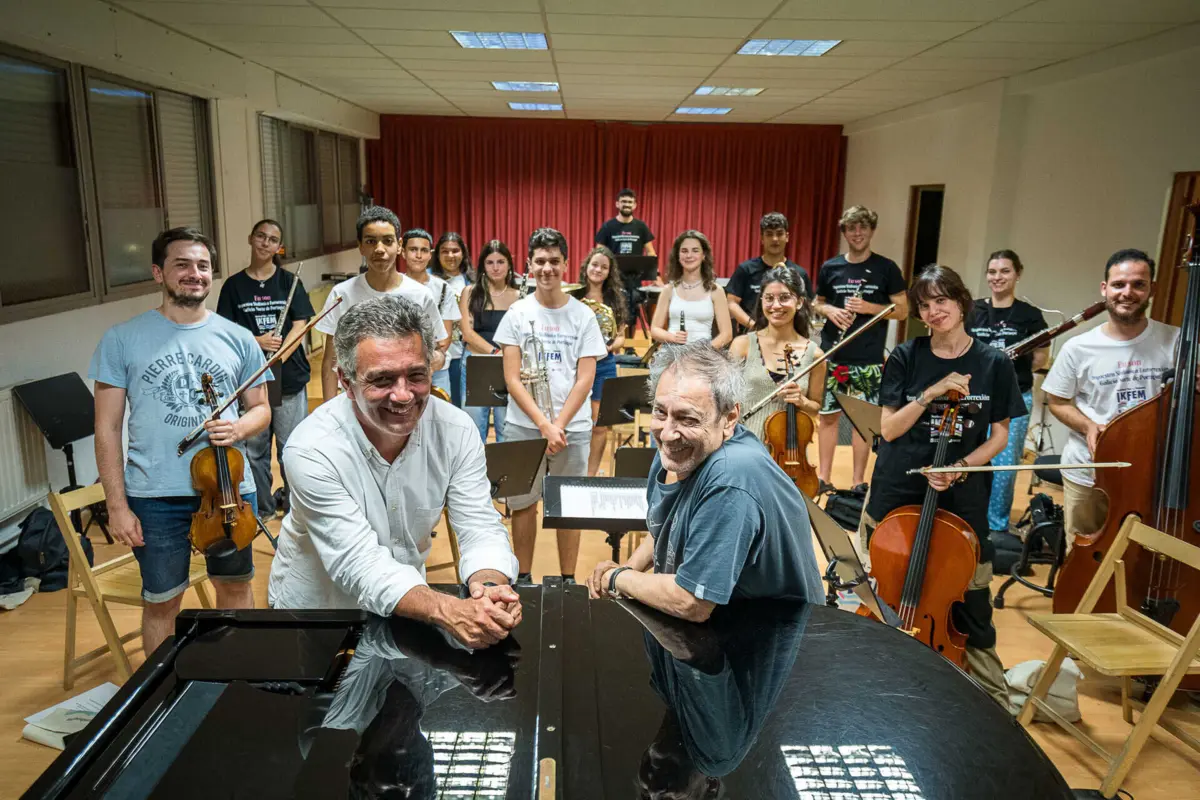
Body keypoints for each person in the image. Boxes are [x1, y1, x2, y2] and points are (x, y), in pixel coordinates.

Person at [268, 295, 522, 650]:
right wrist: (447, 609)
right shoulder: (311, 449)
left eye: (416, 375)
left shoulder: (455, 430)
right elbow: (357, 564)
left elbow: (478, 524)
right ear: (344, 380)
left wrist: (490, 588)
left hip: (406, 609)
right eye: (382, 380)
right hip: (320, 617)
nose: (403, 396)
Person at [91, 227, 270, 656]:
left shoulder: (239, 337)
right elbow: (106, 428)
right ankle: (162, 695)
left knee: (234, 589)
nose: (195, 274)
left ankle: (235, 679)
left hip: (229, 492)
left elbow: (261, 409)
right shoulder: (122, 338)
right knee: (162, 602)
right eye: (182, 265)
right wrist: (117, 506)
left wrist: (239, 429)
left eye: (203, 266)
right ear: (158, 272)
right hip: (154, 496)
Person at [862, 265, 1024, 706]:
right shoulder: (906, 357)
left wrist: (961, 465)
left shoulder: (992, 363)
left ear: (961, 301)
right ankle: (876, 683)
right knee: (888, 589)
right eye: (925, 305)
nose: (934, 311)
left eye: (942, 301)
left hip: (962, 495)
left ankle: (995, 703)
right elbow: (891, 430)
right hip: (900, 489)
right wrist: (930, 393)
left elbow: (1000, 435)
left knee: (971, 598)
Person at [585, 343, 824, 621]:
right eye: (661, 412)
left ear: (729, 418)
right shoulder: (677, 448)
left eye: (687, 418)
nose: (668, 433)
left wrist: (618, 578)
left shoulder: (731, 478)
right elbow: (667, 527)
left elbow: (692, 601)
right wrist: (629, 569)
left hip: (768, 640)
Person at [1042, 249, 1186, 546]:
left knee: (1141, 559)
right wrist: (1089, 426)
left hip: (1152, 474)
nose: (1127, 293)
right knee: (1084, 557)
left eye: (1138, 284)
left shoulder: (1177, 341)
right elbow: (1057, 401)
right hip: (1089, 473)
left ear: (1152, 290)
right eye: (1119, 284)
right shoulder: (1077, 347)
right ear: (1104, 289)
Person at [494, 228, 608, 584]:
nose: (547, 268)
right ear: (529, 264)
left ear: (566, 264)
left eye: (554, 261)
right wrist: (544, 425)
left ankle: (567, 580)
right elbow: (512, 378)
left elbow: (585, 378)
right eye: (540, 261)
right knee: (523, 504)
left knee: (568, 507)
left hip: (571, 429)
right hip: (524, 427)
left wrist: (557, 424)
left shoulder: (583, 316)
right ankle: (524, 577)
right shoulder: (516, 312)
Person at [216, 219, 315, 518]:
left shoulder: (288, 282)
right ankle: (263, 507)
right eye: (261, 236)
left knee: (291, 447)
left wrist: (283, 351)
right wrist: (257, 340)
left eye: (272, 239)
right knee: (255, 449)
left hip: (287, 375)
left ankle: (297, 507)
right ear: (251, 239)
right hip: (252, 377)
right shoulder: (234, 286)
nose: (265, 243)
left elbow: (302, 322)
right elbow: (224, 329)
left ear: (277, 247)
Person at [814, 205, 908, 494]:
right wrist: (830, 310)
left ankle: (857, 482)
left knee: (861, 422)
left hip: (868, 359)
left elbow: (903, 310)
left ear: (871, 231)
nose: (857, 233)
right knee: (828, 419)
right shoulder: (831, 267)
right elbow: (816, 303)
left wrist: (870, 308)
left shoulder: (886, 268)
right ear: (844, 232)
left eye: (863, 228)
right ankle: (824, 479)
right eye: (852, 228)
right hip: (833, 355)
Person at [316, 207, 446, 404]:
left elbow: (438, 349)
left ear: (399, 245)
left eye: (387, 241)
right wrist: (326, 410)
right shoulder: (341, 294)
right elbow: (330, 361)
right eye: (370, 241)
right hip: (356, 400)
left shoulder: (420, 295)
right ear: (360, 246)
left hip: (405, 398)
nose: (379, 249)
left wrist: (436, 358)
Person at [968, 250, 1048, 537]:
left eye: (1004, 271)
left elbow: (1039, 359)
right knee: (968, 456)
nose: (997, 277)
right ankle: (968, 516)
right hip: (973, 398)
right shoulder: (972, 309)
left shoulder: (1030, 316)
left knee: (1004, 465)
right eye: (992, 271)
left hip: (1014, 399)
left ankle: (996, 527)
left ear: (1017, 274)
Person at [729, 267, 825, 443]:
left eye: (784, 298)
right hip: (743, 446)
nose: (776, 306)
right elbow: (725, 399)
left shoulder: (815, 356)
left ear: (800, 302)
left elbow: (815, 407)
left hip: (790, 453)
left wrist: (802, 402)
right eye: (769, 298)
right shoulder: (742, 345)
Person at [570, 245, 629, 476]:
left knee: (600, 426)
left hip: (604, 364)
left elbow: (621, 336)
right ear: (586, 267)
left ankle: (590, 475)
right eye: (595, 265)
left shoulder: (616, 299)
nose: (598, 270)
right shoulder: (574, 295)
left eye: (604, 267)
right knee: (574, 422)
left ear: (609, 272)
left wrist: (611, 345)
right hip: (575, 364)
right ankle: (573, 471)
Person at [459, 239, 520, 442]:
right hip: (477, 364)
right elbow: (467, 333)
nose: (495, 267)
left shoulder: (519, 296)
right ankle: (475, 474)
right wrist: (495, 353)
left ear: (509, 264)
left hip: (508, 367)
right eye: (490, 262)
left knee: (507, 427)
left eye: (500, 262)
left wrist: (506, 357)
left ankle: (505, 473)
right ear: (483, 265)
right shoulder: (470, 292)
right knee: (474, 428)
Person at [726, 212, 814, 333]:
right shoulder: (746, 269)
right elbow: (731, 302)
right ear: (762, 238)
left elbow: (807, 306)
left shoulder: (799, 273)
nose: (775, 239)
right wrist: (754, 326)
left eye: (779, 234)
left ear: (787, 237)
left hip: (788, 337)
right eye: (769, 234)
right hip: (752, 335)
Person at [402, 228, 461, 398]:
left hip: (436, 368)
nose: (419, 255)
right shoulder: (393, 287)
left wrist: (429, 360)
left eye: (424, 250)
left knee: (440, 419)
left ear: (430, 255)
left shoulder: (443, 288)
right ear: (403, 252)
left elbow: (445, 337)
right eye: (413, 250)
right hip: (401, 366)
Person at [650, 230, 733, 350]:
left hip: (703, 353)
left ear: (703, 255)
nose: (689, 255)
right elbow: (654, 330)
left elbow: (727, 334)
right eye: (684, 251)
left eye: (695, 250)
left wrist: (703, 352)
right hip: (672, 353)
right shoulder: (668, 290)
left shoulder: (716, 290)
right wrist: (672, 337)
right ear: (678, 256)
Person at [595, 188, 658, 337]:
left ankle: (629, 345)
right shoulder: (608, 227)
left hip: (634, 280)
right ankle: (614, 342)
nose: (627, 204)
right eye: (623, 201)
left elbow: (651, 252)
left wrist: (657, 276)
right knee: (614, 309)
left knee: (633, 309)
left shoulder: (641, 227)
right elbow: (599, 253)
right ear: (617, 204)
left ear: (635, 205)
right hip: (612, 280)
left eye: (630, 202)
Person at [432, 232, 472, 407]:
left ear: (463, 253)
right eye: (445, 251)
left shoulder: (472, 280)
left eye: (455, 251)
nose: (450, 256)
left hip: (463, 353)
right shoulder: (427, 279)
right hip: (437, 354)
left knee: (461, 406)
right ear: (437, 254)